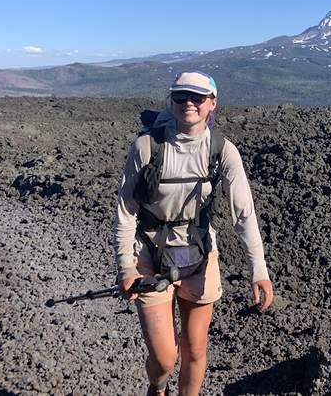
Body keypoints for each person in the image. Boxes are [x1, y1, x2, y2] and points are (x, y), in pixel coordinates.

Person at [113, 71, 273, 396]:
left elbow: (244, 213)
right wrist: (125, 267)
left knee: (195, 349)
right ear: (170, 101)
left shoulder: (223, 151)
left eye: (198, 97)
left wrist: (259, 271)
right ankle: (157, 387)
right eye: (181, 96)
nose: (189, 102)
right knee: (164, 357)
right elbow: (126, 210)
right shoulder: (147, 147)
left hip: (198, 255)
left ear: (212, 103)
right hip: (149, 256)